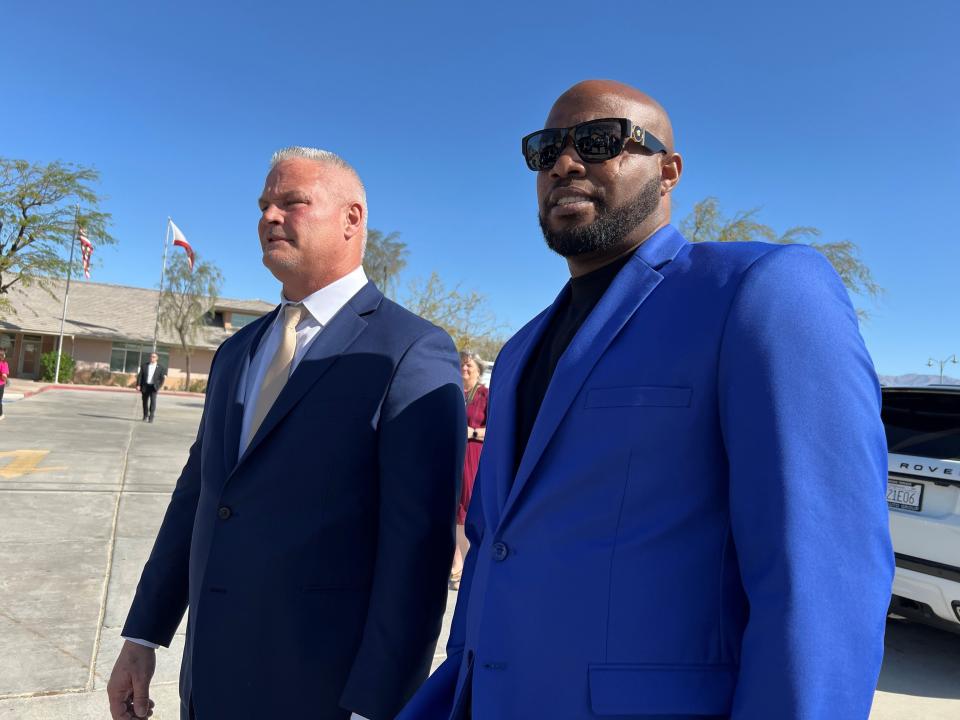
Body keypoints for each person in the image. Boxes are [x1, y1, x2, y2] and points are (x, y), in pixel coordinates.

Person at [400, 80, 893, 719]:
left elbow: (822, 584)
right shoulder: (521, 350)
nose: (566, 163)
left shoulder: (759, 294)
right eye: (545, 150)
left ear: (669, 171)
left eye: (601, 141)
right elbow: (496, 541)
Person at [108, 146, 466, 720]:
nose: (269, 217)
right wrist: (143, 636)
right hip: (208, 686)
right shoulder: (235, 353)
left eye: (292, 202)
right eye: (264, 205)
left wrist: (379, 705)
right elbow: (198, 499)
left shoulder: (410, 351)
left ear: (352, 219)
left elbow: (418, 551)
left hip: (319, 693)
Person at [450, 351, 488, 590]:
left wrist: (471, 432)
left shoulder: (485, 395)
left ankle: (463, 564)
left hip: (472, 455)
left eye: (469, 366)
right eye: (462, 365)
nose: (464, 369)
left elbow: (495, 428)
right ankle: (455, 562)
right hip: (449, 453)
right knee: (450, 508)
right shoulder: (453, 391)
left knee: (465, 508)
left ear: (478, 370)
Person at [135, 352, 166, 422]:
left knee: (153, 402)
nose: (152, 358)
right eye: (151, 357)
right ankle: (145, 415)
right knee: (145, 402)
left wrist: (158, 386)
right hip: (145, 386)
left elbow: (162, 378)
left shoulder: (160, 367)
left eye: (154, 357)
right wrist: (138, 385)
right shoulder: (144, 366)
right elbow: (140, 376)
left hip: (153, 387)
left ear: (157, 358)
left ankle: (151, 417)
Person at [0, 348, 9, 420]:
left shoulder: (4, 364)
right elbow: (4, 376)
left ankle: (1, 414)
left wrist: (6, 379)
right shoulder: (4, 363)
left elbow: (4, 375)